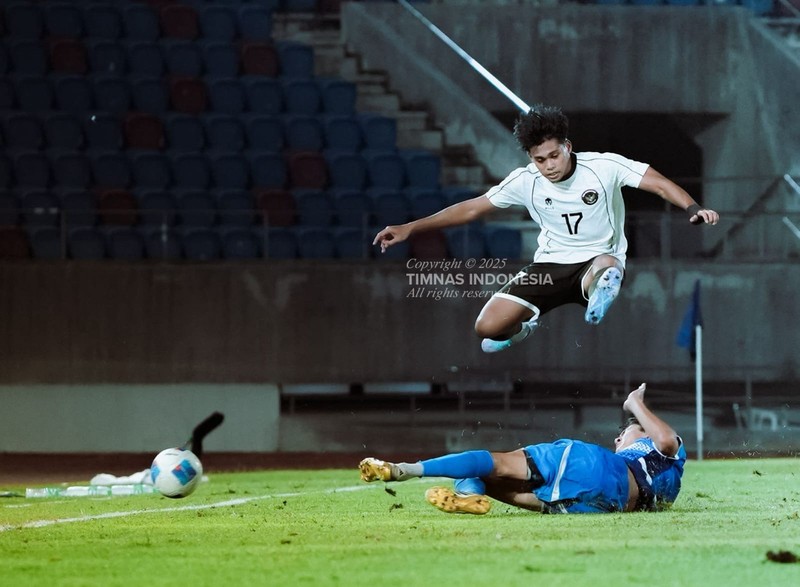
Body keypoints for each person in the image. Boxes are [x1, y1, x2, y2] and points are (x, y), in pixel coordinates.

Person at [373, 104, 720, 353]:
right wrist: (411, 228)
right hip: (548, 267)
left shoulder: (604, 166)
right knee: (486, 328)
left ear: (567, 147)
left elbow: (657, 183)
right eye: (540, 160)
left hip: (596, 260)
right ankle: (522, 329)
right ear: (531, 159)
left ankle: (601, 290)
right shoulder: (525, 181)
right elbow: (473, 207)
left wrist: (693, 207)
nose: (549, 165)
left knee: (607, 266)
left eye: (555, 155)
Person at [359, 383, 685, 514]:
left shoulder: (654, 449)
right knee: (492, 479)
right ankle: (468, 493)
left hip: (590, 466)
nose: (618, 439)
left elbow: (668, 440)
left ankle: (403, 470)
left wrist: (634, 406)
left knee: (494, 462)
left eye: (625, 433)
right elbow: (531, 501)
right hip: (600, 505)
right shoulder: (660, 488)